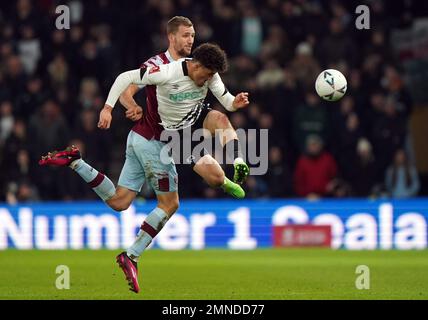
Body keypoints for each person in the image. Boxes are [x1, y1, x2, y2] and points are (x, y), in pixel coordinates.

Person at [39, 42, 249, 293]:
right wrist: (108, 108)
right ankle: (132, 255)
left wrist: (235, 102)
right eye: (185, 34)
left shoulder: (209, 76)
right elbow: (124, 78)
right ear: (195, 64)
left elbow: (226, 101)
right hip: (155, 141)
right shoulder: (166, 70)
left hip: (155, 138)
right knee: (170, 204)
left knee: (119, 201)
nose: (208, 80)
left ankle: (75, 161)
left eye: (192, 34)